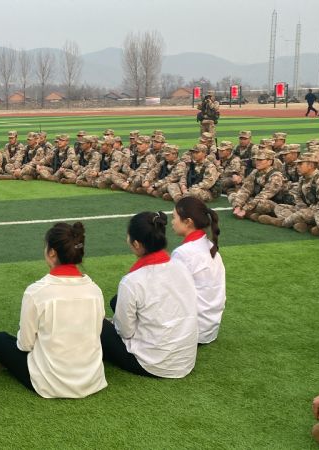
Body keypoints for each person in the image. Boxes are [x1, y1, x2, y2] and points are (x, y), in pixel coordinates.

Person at [0, 222, 107, 398]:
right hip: (91, 379)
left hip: (50, 383)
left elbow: (25, 344)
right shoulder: (95, 290)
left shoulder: (36, 292)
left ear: (52, 252)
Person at [99, 212, 198, 378]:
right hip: (185, 359)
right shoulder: (181, 266)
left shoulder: (132, 281)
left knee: (98, 323)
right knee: (117, 301)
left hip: (153, 363)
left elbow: (125, 332)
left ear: (136, 244)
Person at [170, 197, 226, 344]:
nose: (172, 222)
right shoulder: (212, 248)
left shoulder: (183, 253)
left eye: (174, 217)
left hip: (191, 331)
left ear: (188, 222)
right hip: (210, 329)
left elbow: (172, 295)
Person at [258, 152, 319, 235]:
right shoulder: (302, 178)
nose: (297, 166)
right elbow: (298, 196)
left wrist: (309, 210)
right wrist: (302, 207)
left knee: (300, 214)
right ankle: (305, 225)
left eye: (300, 164)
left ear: (311, 165)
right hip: (308, 209)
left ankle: (279, 222)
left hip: (318, 210)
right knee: (280, 207)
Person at [229, 148, 287, 221]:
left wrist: (245, 208)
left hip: (273, 202)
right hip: (256, 199)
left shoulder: (276, 176)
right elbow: (245, 189)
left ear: (269, 162)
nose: (257, 162)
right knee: (233, 196)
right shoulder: (255, 172)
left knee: (262, 205)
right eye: (256, 160)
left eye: (261, 160)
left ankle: (249, 214)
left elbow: (263, 196)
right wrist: (238, 206)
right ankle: (250, 213)